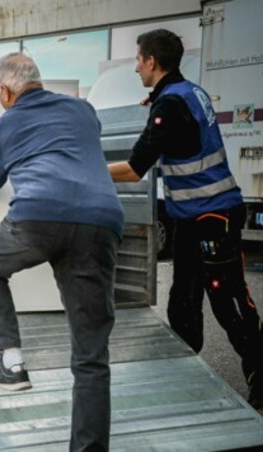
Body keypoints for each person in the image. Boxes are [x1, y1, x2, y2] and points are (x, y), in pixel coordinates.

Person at [0, 52, 124, 451]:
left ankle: (11, 362)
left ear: (4, 91)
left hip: (39, 218)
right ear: (38, 81)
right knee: (91, 356)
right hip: (100, 221)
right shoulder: (84, 109)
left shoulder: (3, 124)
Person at [108, 29, 262, 412]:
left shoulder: (169, 106)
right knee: (182, 300)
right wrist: (156, 103)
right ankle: (183, 377)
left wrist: (81, 168)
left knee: (228, 304)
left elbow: (133, 169)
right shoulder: (187, 92)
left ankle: (262, 383)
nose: (135, 67)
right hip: (193, 218)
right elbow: (180, 129)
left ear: (152, 61)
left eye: (138, 59)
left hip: (213, 216)